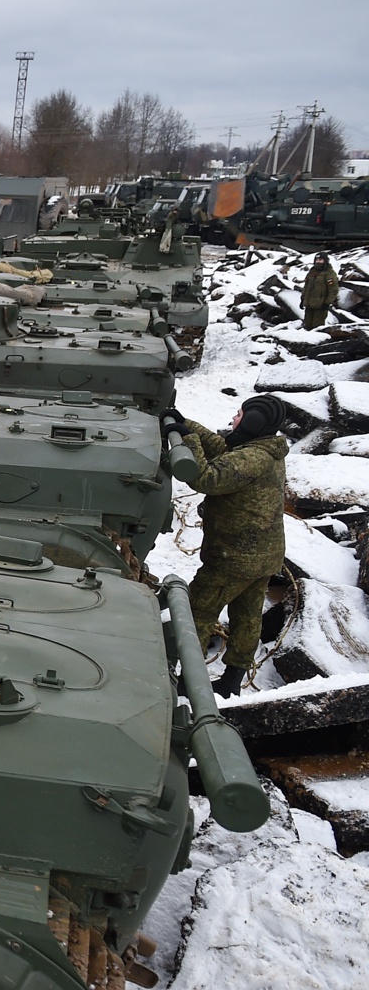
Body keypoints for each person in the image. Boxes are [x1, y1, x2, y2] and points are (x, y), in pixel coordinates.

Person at [167, 395, 289, 697]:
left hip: (234, 558)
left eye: (239, 415)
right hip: (262, 556)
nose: (234, 420)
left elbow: (206, 478)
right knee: (247, 616)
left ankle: (185, 679)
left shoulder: (252, 459)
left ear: (253, 422)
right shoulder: (262, 450)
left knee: (196, 612)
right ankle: (232, 681)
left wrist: (189, 439)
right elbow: (224, 449)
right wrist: (186, 424)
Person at [302, 252, 339, 330]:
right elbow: (306, 286)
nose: (318, 262)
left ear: (325, 261)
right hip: (309, 304)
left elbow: (333, 290)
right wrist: (303, 299)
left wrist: (327, 302)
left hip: (321, 305)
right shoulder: (312, 272)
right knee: (307, 325)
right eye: (317, 260)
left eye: (320, 260)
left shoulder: (329, 273)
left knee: (317, 327)